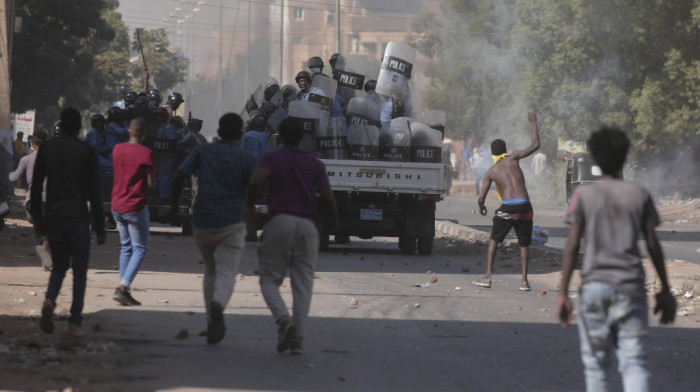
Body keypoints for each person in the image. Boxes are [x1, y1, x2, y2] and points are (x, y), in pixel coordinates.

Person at [557, 127, 676, 392]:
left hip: (593, 290)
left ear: (595, 160)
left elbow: (572, 244)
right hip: (630, 289)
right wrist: (665, 290)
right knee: (634, 362)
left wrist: (563, 292)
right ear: (625, 158)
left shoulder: (583, 196)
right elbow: (653, 245)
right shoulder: (639, 195)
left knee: (596, 366)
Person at [246, 117, 340, 355]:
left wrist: (248, 205)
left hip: (279, 222)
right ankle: (297, 340)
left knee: (269, 280)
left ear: (279, 136)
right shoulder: (315, 164)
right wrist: (336, 220)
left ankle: (283, 321)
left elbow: (257, 180)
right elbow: (328, 197)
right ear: (302, 138)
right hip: (308, 226)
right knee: (303, 285)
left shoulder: (273, 158)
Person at [170, 113, 256, 344]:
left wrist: (173, 204)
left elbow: (179, 175)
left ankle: (211, 320)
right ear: (240, 134)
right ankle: (218, 305)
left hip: (203, 220)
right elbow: (257, 184)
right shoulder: (246, 158)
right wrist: (249, 204)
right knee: (227, 272)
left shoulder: (203, 151)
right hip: (232, 222)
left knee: (210, 270)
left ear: (218, 131)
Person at [31, 108, 106, 338]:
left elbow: (35, 187)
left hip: (54, 215)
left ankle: (50, 301)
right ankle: (74, 322)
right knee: (80, 271)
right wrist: (100, 227)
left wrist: (37, 219)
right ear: (78, 127)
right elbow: (94, 192)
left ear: (61, 125)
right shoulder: (87, 151)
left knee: (60, 266)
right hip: (78, 218)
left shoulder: (47, 148)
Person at [473, 113, 539, 291]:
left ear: (492, 153)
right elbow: (536, 145)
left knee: (494, 240)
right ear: (505, 150)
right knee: (524, 244)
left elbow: (481, 198)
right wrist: (533, 123)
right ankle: (524, 282)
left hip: (508, 208)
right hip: (526, 206)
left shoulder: (491, 171)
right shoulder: (515, 157)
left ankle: (487, 278)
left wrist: (482, 207)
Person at [111, 117, 155, 306]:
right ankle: (123, 287)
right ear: (145, 134)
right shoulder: (146, 153)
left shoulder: (117, 149)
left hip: (117, 205)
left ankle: (124, 290)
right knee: (140, 248)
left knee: (126, 247)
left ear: (129, 131)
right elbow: (151, 184)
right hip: (135, 206)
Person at [9, 130, 52, 270]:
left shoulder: (26, 159)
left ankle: (41, 246)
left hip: (31, 201)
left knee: (38, 228)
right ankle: (45, 246)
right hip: (49, 200)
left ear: (33, 144)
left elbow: (14, 178)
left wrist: (8, 175)